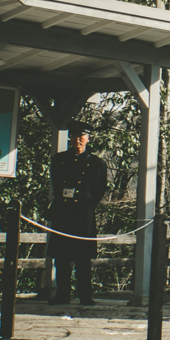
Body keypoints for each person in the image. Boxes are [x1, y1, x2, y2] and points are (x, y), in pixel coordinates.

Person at [47, 120, 108, 305]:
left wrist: (82, 199)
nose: (77, 140)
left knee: (83, 259)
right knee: (61, 258)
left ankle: (85, 295)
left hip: (83, 216)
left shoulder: (96, 163)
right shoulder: (59, 160)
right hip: (63, 215)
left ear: (88, 138)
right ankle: (62, 294)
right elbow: (56, 185)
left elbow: (99, 190)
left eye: (81, 136)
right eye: (74, 136)